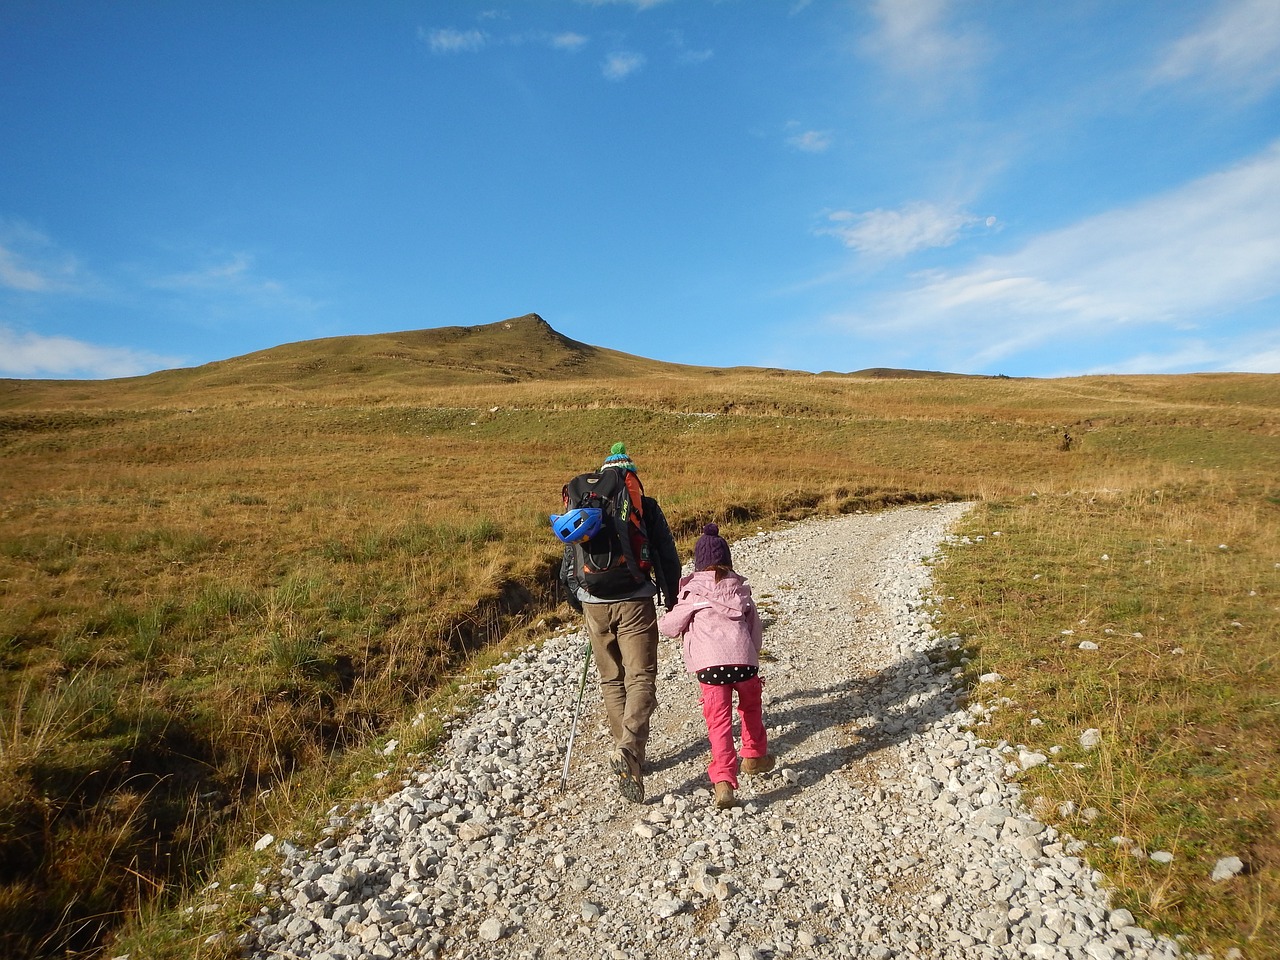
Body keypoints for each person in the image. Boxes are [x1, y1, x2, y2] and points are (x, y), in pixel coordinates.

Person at [559, 443, 680, 803]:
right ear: (630, 476)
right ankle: (628, 751)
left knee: (612, 678)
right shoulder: (645, 506)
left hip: (592, 601)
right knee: (641, 677)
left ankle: (627, 751)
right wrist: (672, 598)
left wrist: (577, 599)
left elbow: (569, 555)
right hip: (635, 598)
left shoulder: (583, 505)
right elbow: (666, 554)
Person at [658, 523, 774, 809]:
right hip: (744, 661)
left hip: (711, 668)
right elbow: (755, 631)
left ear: (698, 563)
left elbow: (669, 628)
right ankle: (754, 755)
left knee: (719, 723)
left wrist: (680, 614)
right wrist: (751, 655)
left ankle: (723, 781)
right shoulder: (740, 589)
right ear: (728, 560)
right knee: (750, 708)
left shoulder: (692, 593)